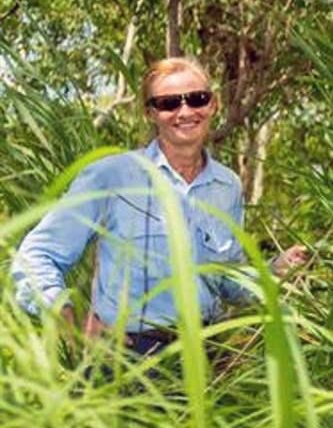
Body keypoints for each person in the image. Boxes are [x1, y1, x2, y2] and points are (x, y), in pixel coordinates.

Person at [11, 57, 308, 356]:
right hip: (129, 358)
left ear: (213, 105)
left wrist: (274, 270)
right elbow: (36, 256)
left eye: (197, 99)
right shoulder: (112, 176)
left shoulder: (226, 186)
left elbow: (227, 282)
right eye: (168, 103)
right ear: (150, 112)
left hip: (210, 353)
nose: (185, 112)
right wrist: (69, 320)